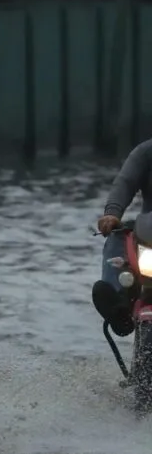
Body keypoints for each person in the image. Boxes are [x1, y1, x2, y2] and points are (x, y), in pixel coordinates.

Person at [92, 139, 152, 335]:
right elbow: (124, 183)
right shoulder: (146, 152)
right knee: (118, 233)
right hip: (149, 235)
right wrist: (112, 214)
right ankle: (120, 303)